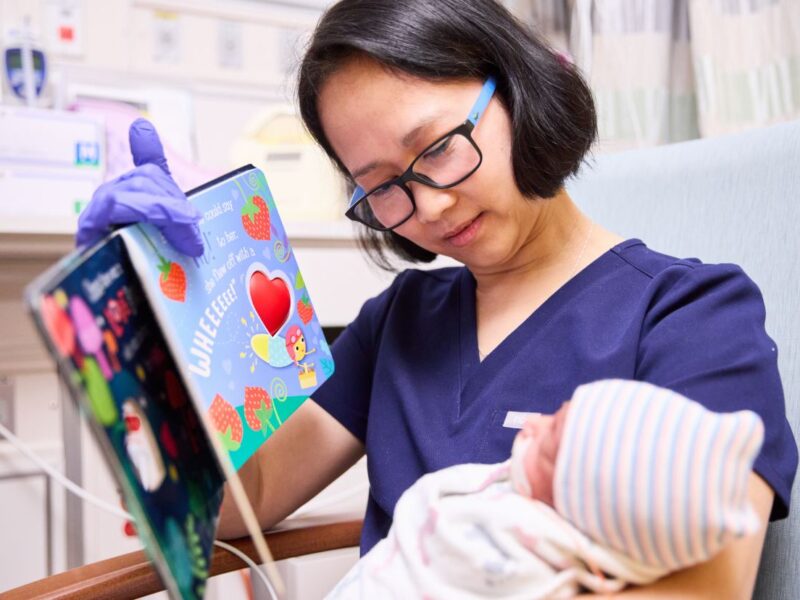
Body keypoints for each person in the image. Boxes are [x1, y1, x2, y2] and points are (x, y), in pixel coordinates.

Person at [76, 0, 797, 596]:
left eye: (438, 147)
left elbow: (709, 588)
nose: (428, 204)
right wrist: (147, 310)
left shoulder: (693, 313)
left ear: (520, 89)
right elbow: (241, 504)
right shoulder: (398, 324)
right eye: (383, 185)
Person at [325, 379, 766, 598]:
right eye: (381, 194)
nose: (533, 425)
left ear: (581, 513)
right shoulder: (398, 312)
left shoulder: (531, 545)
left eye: (551, 445)